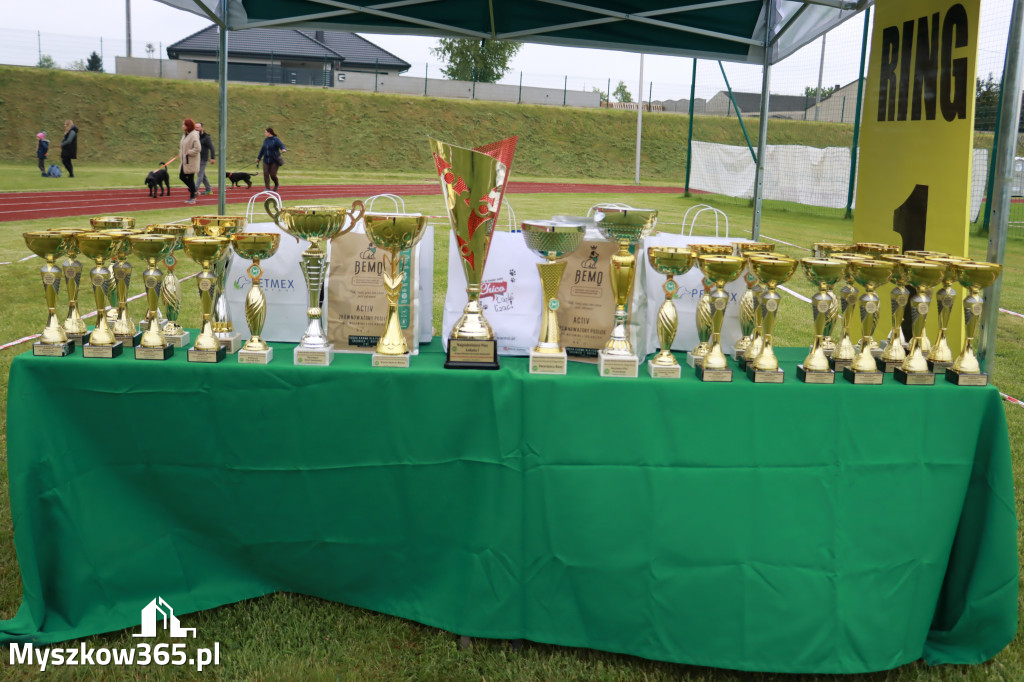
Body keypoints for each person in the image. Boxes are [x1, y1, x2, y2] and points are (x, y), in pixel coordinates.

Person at [179, 118, 201, 205]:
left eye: (184, 124)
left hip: (191, 161)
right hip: (185, 161)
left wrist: (189, 152)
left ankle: (193, 197)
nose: (182, 126)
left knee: (189, 178)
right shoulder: (185, 135)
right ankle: (194, 191)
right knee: (182, 176)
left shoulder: (193, 135)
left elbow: (198, 148)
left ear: (188, 126)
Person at [256, 127, 286, 191]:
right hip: (266, 160)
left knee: (272, 175)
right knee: (266, 174)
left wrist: (283, 149)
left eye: (265, 132)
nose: (265, 133)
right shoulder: (265, 140)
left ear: (269, 133)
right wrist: (258, 158)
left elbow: (281, 145)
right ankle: (267, 188)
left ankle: (276, 184)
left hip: (274, 161)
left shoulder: (276, 140)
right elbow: (262, 150)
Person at [196, 122, 216, 195]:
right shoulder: (196, 137)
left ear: (202, 128)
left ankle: (194, 189)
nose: (196, 129)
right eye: (195, 127)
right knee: (202, 174)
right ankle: (208, 189)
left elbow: (212, 147)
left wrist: (212, 157)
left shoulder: (206, 137)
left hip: (203, 158)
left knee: (199, 174)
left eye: (198, 127)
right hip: (197, 158)